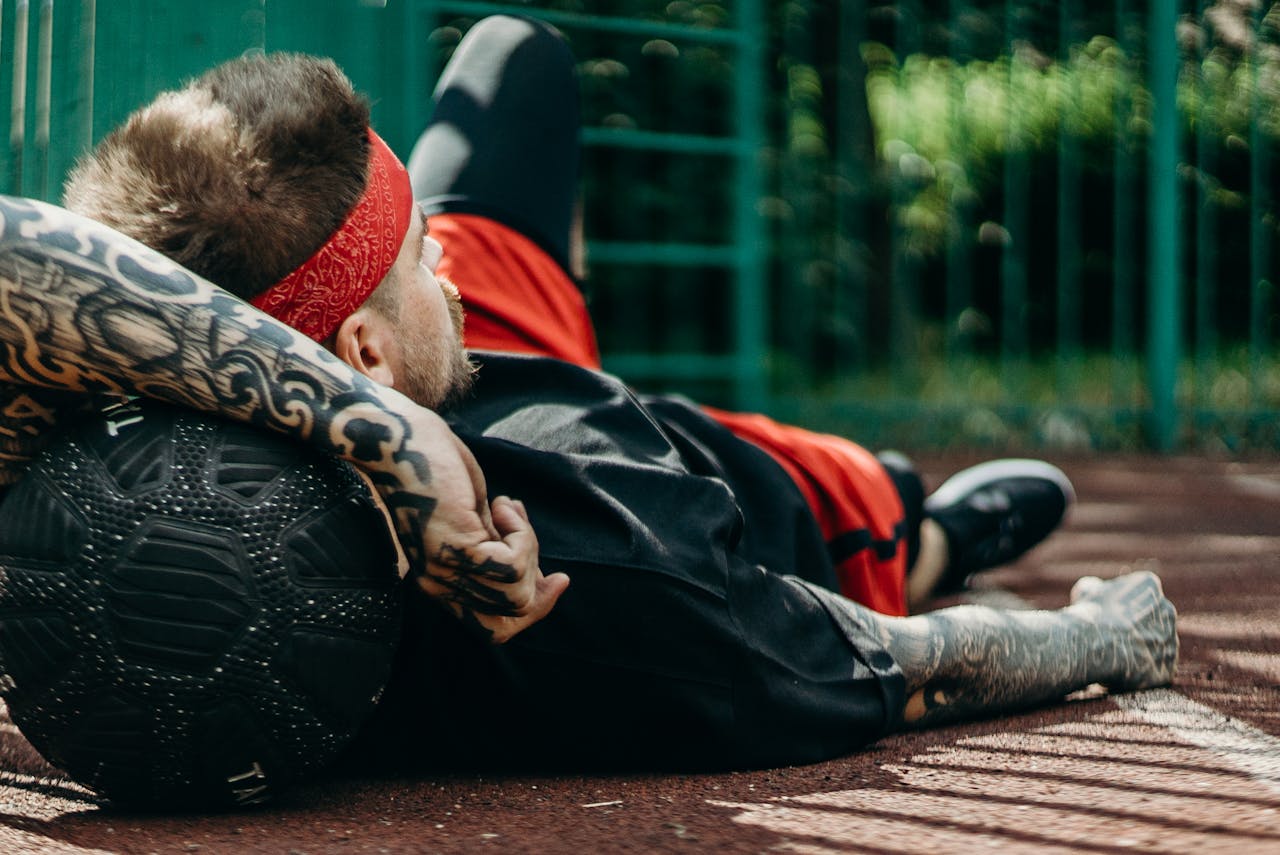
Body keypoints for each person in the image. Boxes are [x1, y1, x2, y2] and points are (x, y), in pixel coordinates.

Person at [0, 17, 1177, 771]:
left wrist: (382, 426)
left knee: (514, 54)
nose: (445, 264)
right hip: (728, 486)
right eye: (426, 256)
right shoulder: (606, 564)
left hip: (406, 376)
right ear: (361, 343)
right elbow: (906, 665)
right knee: (878, 503)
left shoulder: (61, 420)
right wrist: (1098, 635)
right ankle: (915, 533)